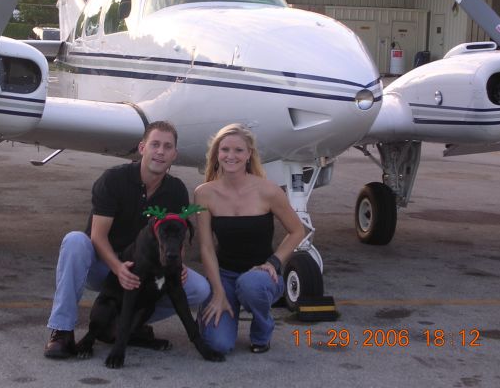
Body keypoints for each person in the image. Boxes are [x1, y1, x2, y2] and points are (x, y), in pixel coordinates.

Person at [44, 120, 210, 358]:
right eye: (155, 144)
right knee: (75, 241)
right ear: (142, 148)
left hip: (146, 269)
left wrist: (179, 263)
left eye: (167, 147)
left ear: (175, 154)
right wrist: (119, 269)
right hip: (105, 266)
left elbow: (177, 233)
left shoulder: (176, 190)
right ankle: (62, 330)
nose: (160, 152)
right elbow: (98, 236)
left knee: (199, 289)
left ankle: (129, 324)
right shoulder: (114, 179)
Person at [194, 123, 306, 354]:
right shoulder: (203, 193)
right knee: (217, 346)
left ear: (249, 155)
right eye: (224, 150)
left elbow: (297, 231)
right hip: (224, 275)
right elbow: (206, 247)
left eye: (238, 150)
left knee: (250, 284)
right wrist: (217, 293)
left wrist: (274, 263)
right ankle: (215, 315)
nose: (230, 156)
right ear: (217, 154)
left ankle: (262, 328)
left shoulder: (269, 191)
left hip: (262, 276)